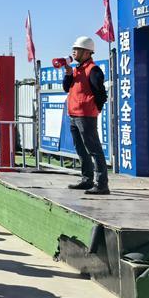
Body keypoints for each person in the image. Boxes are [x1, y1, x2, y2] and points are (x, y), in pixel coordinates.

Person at [62, 36, 109, 195]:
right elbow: (66, 88)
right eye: (73, 49)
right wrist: (68, 74)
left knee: (94, 149)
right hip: (73, 114)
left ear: (87, 52)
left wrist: (94, 108)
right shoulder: (76, 70)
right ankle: (87, 179)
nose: (73, 52)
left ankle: (102, 184)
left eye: (77, 49)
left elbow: (101, 94)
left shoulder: (93, 70)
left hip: (86, 115)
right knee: (81, 149)